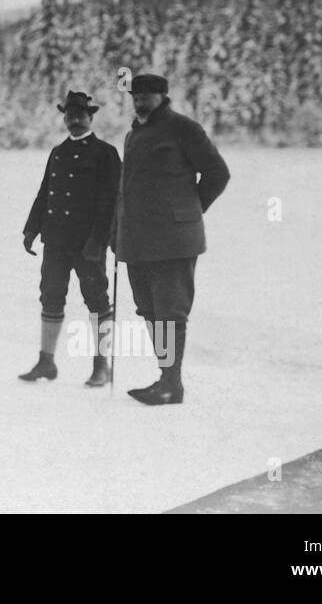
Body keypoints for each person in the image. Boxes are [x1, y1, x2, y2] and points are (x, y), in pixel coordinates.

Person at [114, 74, 230, 405]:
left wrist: (188, 210)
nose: (141, 100)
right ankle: (166, 378)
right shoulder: (133, 135)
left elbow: (217, 173)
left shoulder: (184, 129)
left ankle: (171, 383)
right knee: (149, 309)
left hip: (173, 241)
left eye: (148, 94)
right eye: (136, 95)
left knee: (170, 311)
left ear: (164, 96)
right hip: (138, 240)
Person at [20, 91, 121, 386]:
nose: (75, 120)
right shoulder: (58, 152)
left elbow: (111, 202)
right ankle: (46, 362)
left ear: (91, 117)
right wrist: (31, 229)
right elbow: (44, 192)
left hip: (88, 243)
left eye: (81, 115)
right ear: (64, 118)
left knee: (97, 300)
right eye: (70, 116)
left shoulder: (106, 153)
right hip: (56, 242)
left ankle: (102, 366)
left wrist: (99, 241)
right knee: (51, 295)